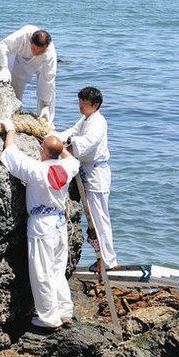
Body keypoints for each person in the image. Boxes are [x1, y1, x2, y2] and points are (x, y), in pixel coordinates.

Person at [0, 120, 80, 330]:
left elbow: (11, 154)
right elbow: (73, 160)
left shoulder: (36, 169)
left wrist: (10, 129)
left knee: (42, 272)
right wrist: (57, 147)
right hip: (60, 224)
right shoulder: (66, 168)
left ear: (42, 151)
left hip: (42, 225)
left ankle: (49, 318)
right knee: (57, 270)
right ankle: (64, 311)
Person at [58, 86, 117, 273]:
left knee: (100, 218)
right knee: (93, 218)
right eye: (80, 102)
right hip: (87, 171)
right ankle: (101, 259)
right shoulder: (86, 119)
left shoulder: (99, 122)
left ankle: (109, 261)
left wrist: (61, 149)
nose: (80, 106)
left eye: (84, 103)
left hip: (96, 173)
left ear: (95, 105)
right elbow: (72, 132)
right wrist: (54, 137)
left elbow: (86, 143)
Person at [0, 26, 57, 122]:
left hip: (42, 64)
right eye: (34, 49)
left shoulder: (49, 53)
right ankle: (13, 114)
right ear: (30, 41)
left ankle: (46, 120)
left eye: (41, 51)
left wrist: (46, 105)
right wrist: (4, 67)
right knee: (15, 85)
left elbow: (48, 79)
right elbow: (3, 46)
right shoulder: (23, 36)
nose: (37, 53)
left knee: (49, 88)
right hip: (21, 58)